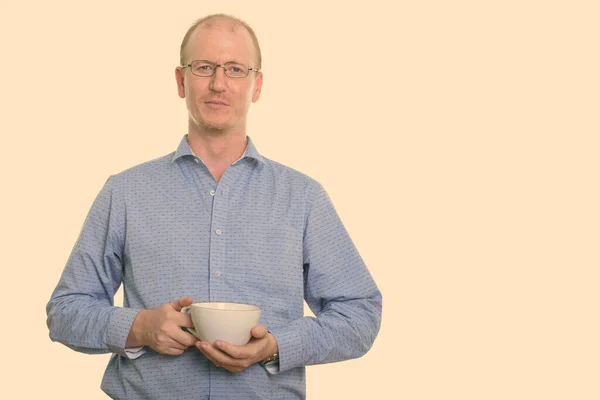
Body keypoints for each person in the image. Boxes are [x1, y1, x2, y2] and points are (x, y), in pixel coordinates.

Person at [47, 13, 382, 400]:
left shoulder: (303, 197)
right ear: (181, 80)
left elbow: (361, 313)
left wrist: (277, 345)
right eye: (204, 67)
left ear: (256, 85)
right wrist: (137, 327)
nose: (218, 83)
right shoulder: (125, 192)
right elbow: (65, 311)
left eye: (235, 69)